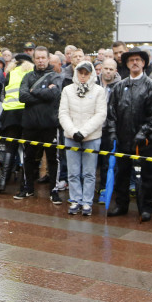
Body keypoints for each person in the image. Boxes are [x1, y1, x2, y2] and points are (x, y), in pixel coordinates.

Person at [104, 48, 152, 221]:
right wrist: (113, 132)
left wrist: (143, 132)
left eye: (138, 60)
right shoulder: (119, 87)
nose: (134, 62)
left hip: (143, 141)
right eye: (131, 60)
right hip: (122, 139)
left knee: (145, 176)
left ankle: (145, 208)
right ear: (127, 64)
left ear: (143, 63)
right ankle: (121, 205)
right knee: (121, 174)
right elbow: (112, 112)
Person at [14, 47, 63, 201]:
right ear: (34, 59)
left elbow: (54, 94)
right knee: (28, 158)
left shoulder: (55, 76)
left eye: (43, 58)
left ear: (48, 59)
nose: (41, 60)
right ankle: (27, 188)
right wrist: (42, 93)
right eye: (38, 58)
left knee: (52, 160)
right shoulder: (28, 76)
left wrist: (33, 91)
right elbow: (22, 96)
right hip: (30, 124)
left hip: (49, 125)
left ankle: (53, 191)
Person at [58, 61, 107, 216]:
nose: (83, 76)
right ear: (76, 73)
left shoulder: (99, 91)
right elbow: (63, 113)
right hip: (71, 136)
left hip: (91, 137)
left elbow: (100, 114)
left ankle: (86, 202)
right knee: (73, 172)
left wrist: (84, 132)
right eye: (81, 73)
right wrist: (73, 132)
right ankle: (75, 200)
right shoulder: (67, 90)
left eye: (86, 73)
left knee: (89, 172)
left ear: (91, 74)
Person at [0, 53, 33, 193]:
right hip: (25, 113)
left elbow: (3, 94)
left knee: (9, 148)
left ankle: (3, 182)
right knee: (25, 148)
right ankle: (24, 184)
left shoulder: (10, 73)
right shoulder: (30, 72)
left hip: (9, 114)